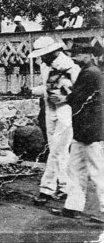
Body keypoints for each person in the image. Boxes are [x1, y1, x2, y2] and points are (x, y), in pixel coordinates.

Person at [50, 43, 104, 219]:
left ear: (88, 54)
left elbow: (78, 98)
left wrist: (63, 97)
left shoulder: (91, 73)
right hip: (83, 127)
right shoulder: (87, 71)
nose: (73, 57)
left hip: (91, 128)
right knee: (75, 168)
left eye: (78, 54)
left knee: (97, 170)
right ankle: (73, 206)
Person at [28, 37, 80, 205]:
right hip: (49, 110)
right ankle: (65, 187)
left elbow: (80, 92)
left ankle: (46, 189)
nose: (41, 58)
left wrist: (66, 97)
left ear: (54, 52)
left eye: (44, 55)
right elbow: (47, 87)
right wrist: (35, 91)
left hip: (65, 110)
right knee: (58, 151)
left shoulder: (71, 67)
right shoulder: (45, 66)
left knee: (57, 150)